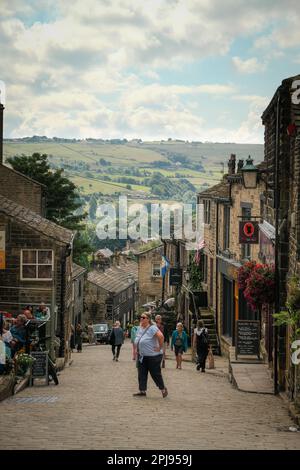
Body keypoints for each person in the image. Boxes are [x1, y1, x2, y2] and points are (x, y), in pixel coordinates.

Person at [133, 312, 168, 398]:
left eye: (143, 317)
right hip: (142, 355)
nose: (141, 319)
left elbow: (161, 336)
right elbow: (137, 339)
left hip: (153, 356)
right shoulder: (139, 328)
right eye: (140, 317)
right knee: (141, 373)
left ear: (148, 319)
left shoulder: (152, 328)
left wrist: (160, 347)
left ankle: (163, 389)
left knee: (155, 374)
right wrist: (137, 349)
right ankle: (142, 390)